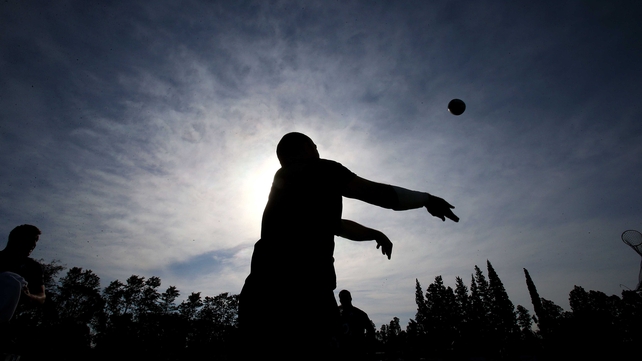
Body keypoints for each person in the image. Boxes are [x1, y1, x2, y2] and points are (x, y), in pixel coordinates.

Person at [238, 132, 458, 359]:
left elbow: (335, 225)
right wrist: (426, 199)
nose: (317, 150)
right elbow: (377, 194)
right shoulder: (321, 169)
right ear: (303, 149)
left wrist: (374, 233)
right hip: (304, 291)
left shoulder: (283, 188)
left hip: (259, 294)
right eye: (313, 145)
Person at [0, 224, 45, 324]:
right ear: (15, 239)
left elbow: (41, 296)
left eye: (36, 241)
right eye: (30, 239)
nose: (33, 244)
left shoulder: (33, 267)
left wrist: (29, 297)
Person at [337, 289, 375, 360]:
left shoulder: (360, 314)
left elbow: (371, 331)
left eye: (346, 298)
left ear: (350, 298)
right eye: (342, 298)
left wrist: (366, 346)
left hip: (356, 351)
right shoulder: (336, 314)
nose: (344, 300)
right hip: (341, 351)